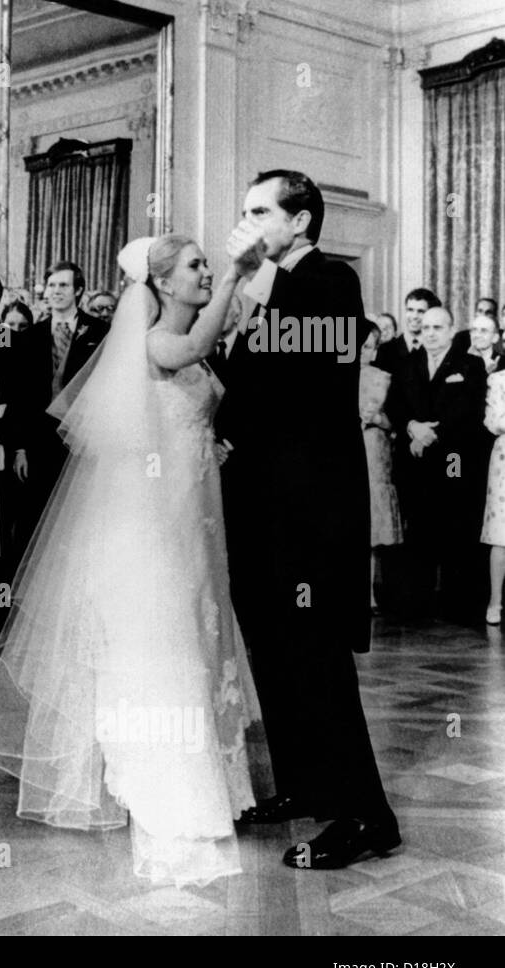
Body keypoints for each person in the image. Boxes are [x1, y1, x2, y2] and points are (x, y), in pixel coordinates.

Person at [0, 234, 259, 886]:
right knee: (166, 647)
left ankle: (212, 777)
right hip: (154, 523)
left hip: (194, 516)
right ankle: (168, 785)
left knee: (200, 633)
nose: (206, 273)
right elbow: (194, 348)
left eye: (208, 267)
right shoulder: (159, 341)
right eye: (196, 267)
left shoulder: (179, 350)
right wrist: (238, 277)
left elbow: (196, 401)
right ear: (160, 284)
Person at [219, 169, 399, 869]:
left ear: (299, 222)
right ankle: (305, 783)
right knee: (275, 650)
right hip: (265, 506)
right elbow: (248, 386)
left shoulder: (329, 280)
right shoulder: (269, 287)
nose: (247, 223)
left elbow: (309, 363)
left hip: (311, 510)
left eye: (259, 211)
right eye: (244, 211)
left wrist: (253, 281)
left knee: (316, 658)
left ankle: (366, 816)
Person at [388, 306, 489, 623]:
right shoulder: (407, 364)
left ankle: (460, 607)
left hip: (454, 460)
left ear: (450, 330)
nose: (429, 333)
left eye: (437, 327)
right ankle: (416, 607)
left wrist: (432, 433)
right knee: (418, 532)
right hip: (415, 463)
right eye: (426, 327)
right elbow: (395, 405)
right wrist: (412, 428)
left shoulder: (470, 365)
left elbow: (470, 411)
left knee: (458, 529)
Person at [6, 261, 109, 561]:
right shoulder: (29, 336)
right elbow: (19, 398)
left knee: (77, 519)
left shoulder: (101, 331)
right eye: (51, 285)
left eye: (63, 285)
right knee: (33, 520)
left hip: (80, 441)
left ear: (78, 290)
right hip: (37, 442)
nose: (56, 291)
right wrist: (21, 448)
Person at [359, 322, 402, 611]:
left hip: (374, 453)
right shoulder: (330, 377)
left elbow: (396, 422)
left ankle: (369, 595)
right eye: (359, 346)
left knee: (371, 528)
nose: (364, 352)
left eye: (369, 347)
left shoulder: (384, 379)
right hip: (341, 455)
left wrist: (378, 419)